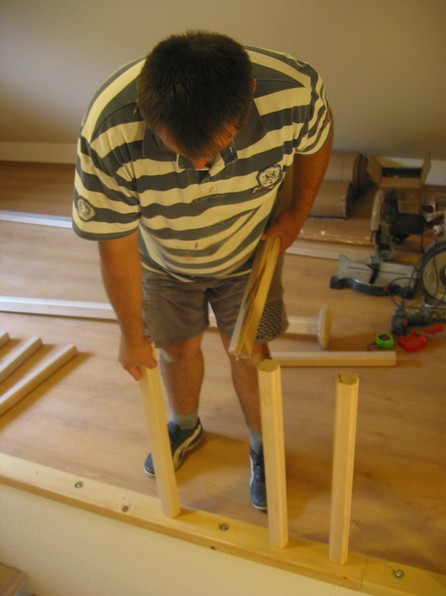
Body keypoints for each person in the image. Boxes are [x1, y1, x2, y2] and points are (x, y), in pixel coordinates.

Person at [73, 30, 333, 511]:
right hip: (163, 258)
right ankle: (185, 426)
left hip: (252, 252)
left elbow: (318, 137)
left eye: (212, 148)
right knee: (174, 348)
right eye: (178, 149)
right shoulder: (110, 128)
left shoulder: (295, 93)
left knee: (249, 350)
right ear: (146, 111)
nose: (197, 164)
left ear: (248, 97)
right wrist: (129, 333)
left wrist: (298, 213)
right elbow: (115, 244)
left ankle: (262, 446)